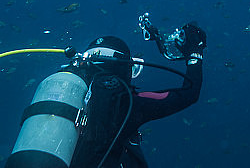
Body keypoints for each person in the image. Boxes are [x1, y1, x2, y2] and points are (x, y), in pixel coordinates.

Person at [68, 17, 206, 168]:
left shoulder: (65, 94)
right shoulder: (126, 103)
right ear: (124, 68)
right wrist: (195, 54)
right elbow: (189, 94)